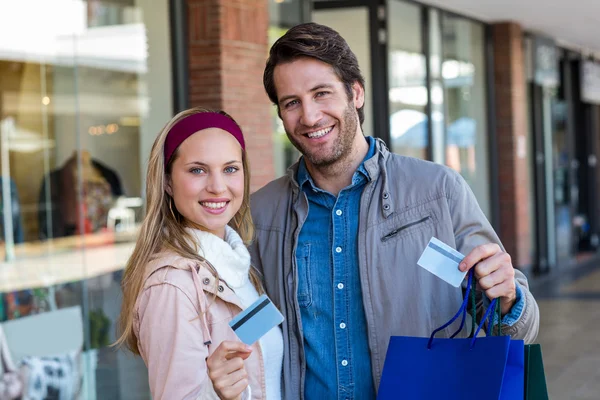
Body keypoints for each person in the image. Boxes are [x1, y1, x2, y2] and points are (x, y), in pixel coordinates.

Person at [249, 22, 540, 399]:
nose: (309, 116)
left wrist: (508, 299)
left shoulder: (438, 191)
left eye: (322, 93)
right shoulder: (261, 213)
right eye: (291, 103)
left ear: (355, 93)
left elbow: (517, 329)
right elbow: (253, 327)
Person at [116, 107, 283, 400]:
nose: (218, 187)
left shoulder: (238, 265)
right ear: (167, 182)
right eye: (197, 170)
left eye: (230, 169)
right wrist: (215, 392)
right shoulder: (172, 285)